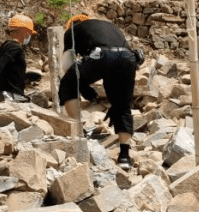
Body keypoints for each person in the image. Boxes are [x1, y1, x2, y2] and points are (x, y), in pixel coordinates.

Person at [58, 14, 141, 170]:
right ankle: (124, 156)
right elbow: (118, 57)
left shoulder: (71, 31)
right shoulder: (109, 26)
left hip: (101, 54)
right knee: (122, 106)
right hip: (128, 57)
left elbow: (67, 65)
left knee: (67, 85)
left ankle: (78, 134)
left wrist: (81, 86)